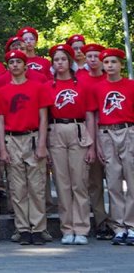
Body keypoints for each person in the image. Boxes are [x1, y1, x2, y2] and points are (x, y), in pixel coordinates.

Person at [0, 49, 50, 245]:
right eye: (11, 63)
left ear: (25, 66)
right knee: (17, 188)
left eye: (19, 62)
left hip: (33, 137)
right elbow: (0, 121)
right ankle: (23, 228)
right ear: (8, 67)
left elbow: (44, 118)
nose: (15, 65)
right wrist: (2, 147)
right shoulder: (2, 91)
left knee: (36, 186)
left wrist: (42, 143)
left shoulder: (38, 87)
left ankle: (38, 228)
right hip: (12, 139)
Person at [43, 44, 96, 245]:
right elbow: (44, 116)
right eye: (56, 60)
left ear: (70, 61)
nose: (60, 63)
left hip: (78, 128)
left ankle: (81, 227)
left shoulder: (82, 84)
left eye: (63, 59)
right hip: (56, 130)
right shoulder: (48, 86)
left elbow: (90, 115)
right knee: (62, 182)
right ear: (53, 64)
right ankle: (67, 228)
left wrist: (91, 144)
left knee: (79, 181)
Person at [92, 48, 134, 246]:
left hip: (128, 131)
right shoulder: (98, 88)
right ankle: (118, 226)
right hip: (107, 133)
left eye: (113, 62)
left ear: (121, 65)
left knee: (131, 180)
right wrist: (97, 143)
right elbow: (96, 115)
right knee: (114, 181)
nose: (110, 66)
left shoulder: (130, 85)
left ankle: (131, 225)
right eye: (106, 62)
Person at [76, 42, 114, 239]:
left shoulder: (110, 78)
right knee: (95, 181)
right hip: (87, 128)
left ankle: (119, 221)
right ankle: (101, 221)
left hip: (110, 130)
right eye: (88, 56)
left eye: (96, 56)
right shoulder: (79, 78)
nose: (92, 60)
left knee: (116, 180)